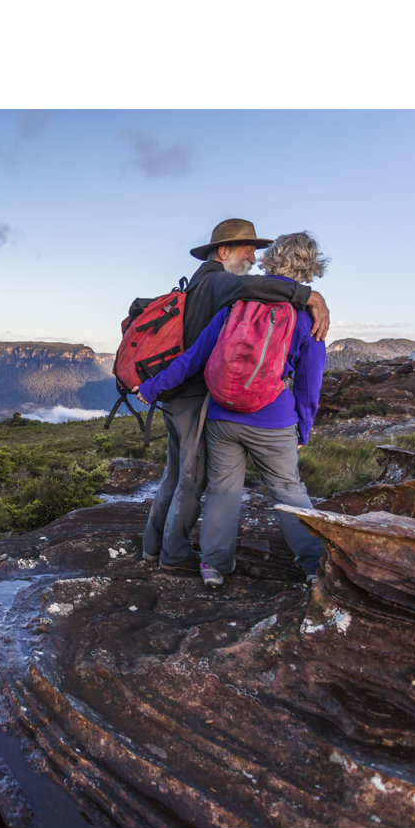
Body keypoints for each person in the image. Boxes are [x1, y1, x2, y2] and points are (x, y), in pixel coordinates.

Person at [135, 231, 328, 587]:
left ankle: (213, 567)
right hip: (273, 418)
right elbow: (308, 381)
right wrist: (304, 426)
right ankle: (316, 567)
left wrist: (151, 387)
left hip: (222, 415)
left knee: (223, 491)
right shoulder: (306, 315)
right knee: (288, 489)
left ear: (273, 259)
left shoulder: (236, 303)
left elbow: (194, 358)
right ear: (310, 267)